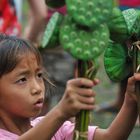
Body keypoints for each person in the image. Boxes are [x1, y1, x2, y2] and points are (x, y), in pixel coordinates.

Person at [0, 34, 138, 140]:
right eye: (22, 80)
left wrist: (131, 100)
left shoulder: (56, 128)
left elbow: (111, 137)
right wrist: (61, 111)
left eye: (39, 75)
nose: (37, 88)